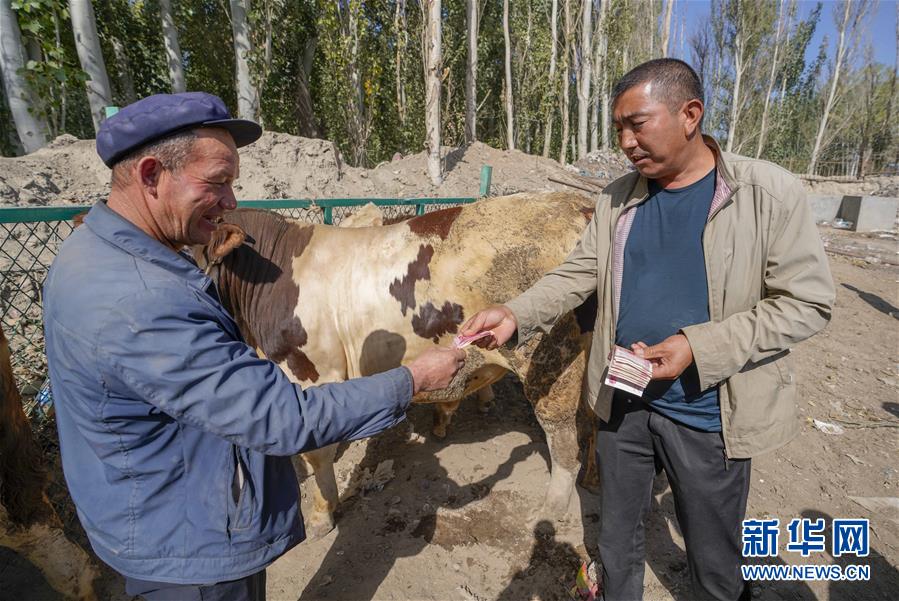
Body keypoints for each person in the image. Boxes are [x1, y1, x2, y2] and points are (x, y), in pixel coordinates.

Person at [42, 92, 465, 601]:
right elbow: (281, 418)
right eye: (217, 183)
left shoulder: (94, 253)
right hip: (192, 553)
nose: (231, 202)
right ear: (152, 175)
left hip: (156, 512)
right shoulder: (142, 300)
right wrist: (415, 379)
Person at [461, 59, 835, 601]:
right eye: (618, 128)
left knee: (714, 554)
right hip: (626, 400)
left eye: (638, 123)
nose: (626, 141)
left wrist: (696, 346)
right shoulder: (616, 197)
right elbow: (578, 273)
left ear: (690, 115)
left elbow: (808, 302)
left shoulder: (766, 193)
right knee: (616, 536)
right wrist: (517, 313)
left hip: (709, 415)